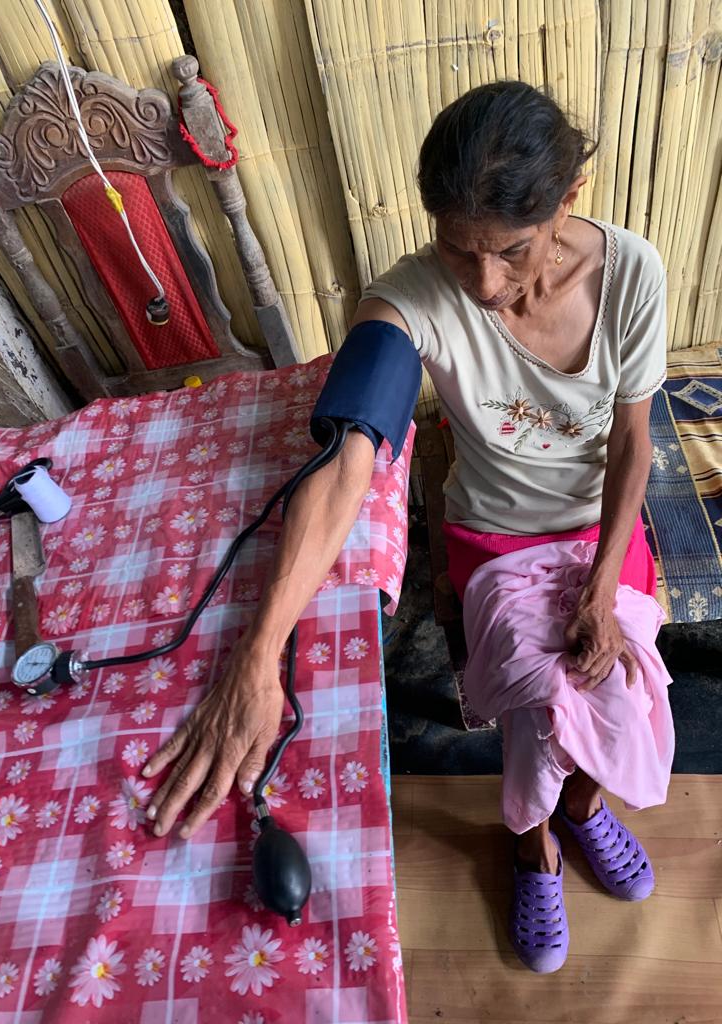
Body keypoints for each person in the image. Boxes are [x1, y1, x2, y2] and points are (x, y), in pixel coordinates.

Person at [141, 81, 672, 974]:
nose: (485, 284)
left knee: (620, 685)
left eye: (511, 251)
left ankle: (583, 809)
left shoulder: (632, 276)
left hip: (602, 528)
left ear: (567, 201)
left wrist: (601, 583)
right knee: (540, 703)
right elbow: (348, 459)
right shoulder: (414, 297)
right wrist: (259, 654)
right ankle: (531, 846)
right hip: (493, 535)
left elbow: (632, 443)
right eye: (459, 249)